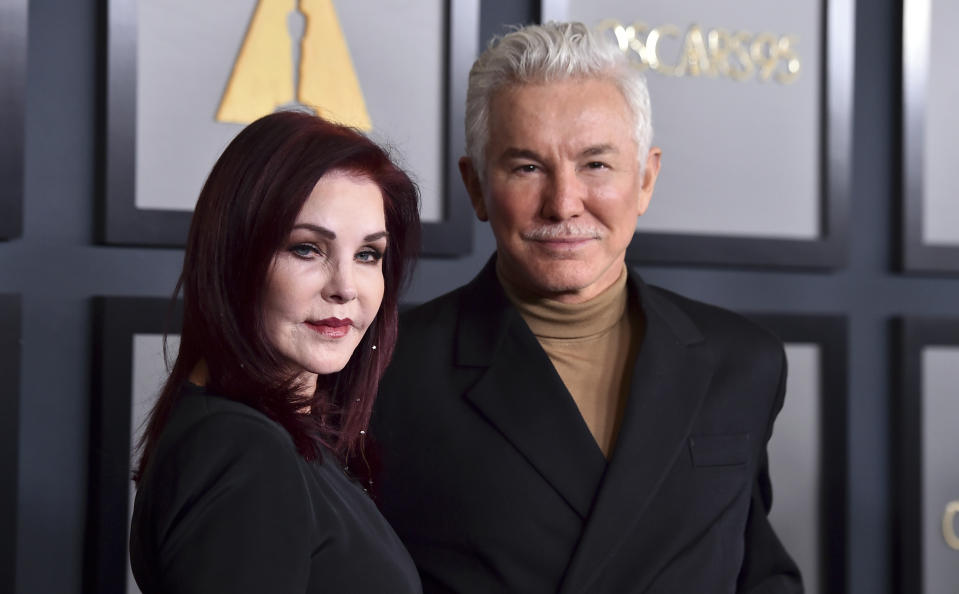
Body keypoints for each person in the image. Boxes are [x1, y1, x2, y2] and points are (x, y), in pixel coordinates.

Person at [371, 22, 803, 593]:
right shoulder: (387, 370)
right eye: (527, 167)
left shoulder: (744, 362)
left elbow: (756, 568)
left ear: (646, 178)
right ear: (475, 187)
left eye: (596, 164)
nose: (564, 203)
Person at [129, 111, 422, 593]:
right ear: (234, 257)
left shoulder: (271, 436)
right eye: (306, 248)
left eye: (368, 254)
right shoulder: (242, 450)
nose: (345, 287)